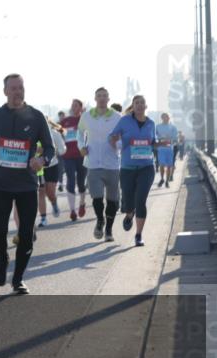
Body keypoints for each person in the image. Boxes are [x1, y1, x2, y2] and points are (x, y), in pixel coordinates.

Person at [0, 74, 54, 295]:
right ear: (5, 91)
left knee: (26, 235)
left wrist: (42, 160)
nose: (17, 92)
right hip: (1, 185)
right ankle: (3, 257)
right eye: (13, 88)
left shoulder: (36, 116)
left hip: (27, 186)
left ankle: (18, 279)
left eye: (20, 87)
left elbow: (50, 149)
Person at [108, 95, 157, 247]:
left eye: (142, 103)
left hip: (147, 167)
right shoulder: (124, 121)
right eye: (137, 103)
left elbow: (153, 142)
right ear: (133, 106)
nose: (140, 105)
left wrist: (162, 143)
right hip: (127, 168)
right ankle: (129, 214)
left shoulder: (151, 123)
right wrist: (116, 144)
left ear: (146, 106)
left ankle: (138, 235)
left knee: (141, 200)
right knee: (129, 202)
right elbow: (112, 137)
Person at [77, 88, 122, 241]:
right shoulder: (87, 116)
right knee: (96, 198)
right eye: (99, 96)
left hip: (112, 163)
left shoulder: (117, 117)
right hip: (93, 162)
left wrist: (118, 143)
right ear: (95, 98)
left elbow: (123, 136)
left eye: (104, 96)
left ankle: (109, 229)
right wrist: (81, 146)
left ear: (109, 99)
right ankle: (100, 220)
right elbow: (79, 132)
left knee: (112, 200)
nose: (102, 99)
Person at [60, 100, 88, 221]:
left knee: (81, 182)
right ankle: (72, 210)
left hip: (81, 155)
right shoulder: (65, 121)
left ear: (81, 108)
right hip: (68, 155)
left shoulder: (85, 120)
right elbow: (59, 134)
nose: (73, 107)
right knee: (70, 180)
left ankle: (82, 203)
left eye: (76, 106)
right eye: (72, 105)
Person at [155, 113, 179, 187]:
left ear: (169, 118)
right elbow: (154, 137)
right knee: (161, 165)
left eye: (168, 117)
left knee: (169, 165)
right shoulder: (157, 127)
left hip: (170, 148)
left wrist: (172, 141)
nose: (167, 118)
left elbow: (176, 138)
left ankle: (167, 181)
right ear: (162, 118)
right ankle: (162, 179)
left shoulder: (173, 127)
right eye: (165, 117)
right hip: (161, 149)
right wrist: (158, 141)